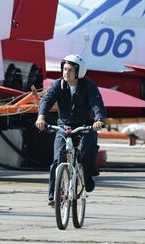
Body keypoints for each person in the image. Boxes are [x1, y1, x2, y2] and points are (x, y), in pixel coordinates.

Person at [35, 54, 106, 206]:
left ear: (79, 72)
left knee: (88, 150)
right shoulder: (58, 84)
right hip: (64, 126)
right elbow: (47, 100)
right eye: (64, 69)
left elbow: (97, 104)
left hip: (86, 126)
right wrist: (41, 117)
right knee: (57, 160)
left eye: (70, 70)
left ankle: (87, 176)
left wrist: (99, 120)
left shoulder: (89, 86)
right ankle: (54, 196)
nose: (65, 72)